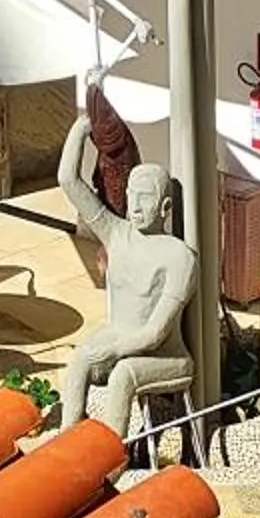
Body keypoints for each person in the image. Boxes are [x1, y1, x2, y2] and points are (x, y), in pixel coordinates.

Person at [56, 84, 195, 437]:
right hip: (120, 339)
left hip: (165, 357)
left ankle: (110, 458)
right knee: (80, 360)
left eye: (144, 198)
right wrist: (81, 129)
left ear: (165, 207)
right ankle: (66, 440)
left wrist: (114, 349)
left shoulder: (179, 256)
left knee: (122, 375)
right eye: (132, 195)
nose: (134, 204)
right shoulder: (116, 234)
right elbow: (68, 182)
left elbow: (154, 332)